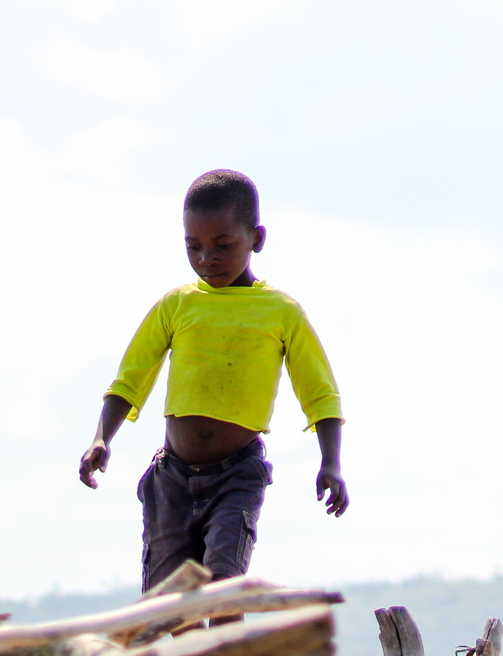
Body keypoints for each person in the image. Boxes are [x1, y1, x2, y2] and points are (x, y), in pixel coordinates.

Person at [78, 169, 347, 595]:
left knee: (223, 586)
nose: (207, 258)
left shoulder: (280, 312)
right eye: (193, 246)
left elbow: (320, 393)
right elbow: (131, 377)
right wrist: (101, 438)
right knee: (167, 602)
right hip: (171, 477)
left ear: (256, 238)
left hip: (236, 475)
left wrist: (330, 462)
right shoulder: (177, 305)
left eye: (223, 245)